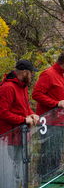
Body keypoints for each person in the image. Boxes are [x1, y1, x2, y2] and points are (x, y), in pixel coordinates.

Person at [32, 51, 64, 182]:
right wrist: (55, 103)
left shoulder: (63, 76)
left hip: (60, 121)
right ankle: (43, 181)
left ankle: (51, 180)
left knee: (56, 155)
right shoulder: (48, 74)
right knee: (48, 154)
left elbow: (60, 97)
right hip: (49, 122)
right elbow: (36, 94)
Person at [0, 59, 40, 188]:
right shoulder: (7, 87)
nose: (32, 75)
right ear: (24, 72)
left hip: (20, 137)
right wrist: (23, 120)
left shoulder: (22, 86)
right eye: (31, 73)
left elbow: (25, 107)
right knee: (7, 176)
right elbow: (2, 113)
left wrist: (31, 113)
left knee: (18, 175)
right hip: (7, 139)